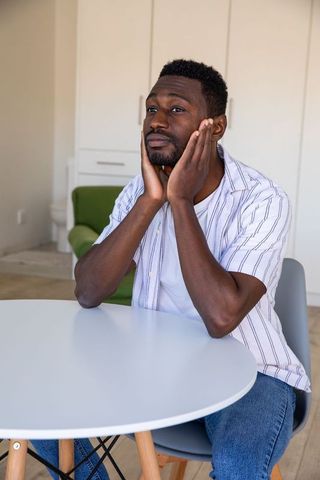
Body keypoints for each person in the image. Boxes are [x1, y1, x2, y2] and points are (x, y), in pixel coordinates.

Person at [34, 59, 310, 479]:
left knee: (238, 464)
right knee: (40, 408)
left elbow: (221, 317)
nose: (157, 122)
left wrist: (180, 202)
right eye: (151, 109)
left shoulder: (261, 199)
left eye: (177, 109)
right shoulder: (140, 190)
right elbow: (89, 290)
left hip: (253, 374)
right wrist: (150, 202)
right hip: (152, 367)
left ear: (215, 127)